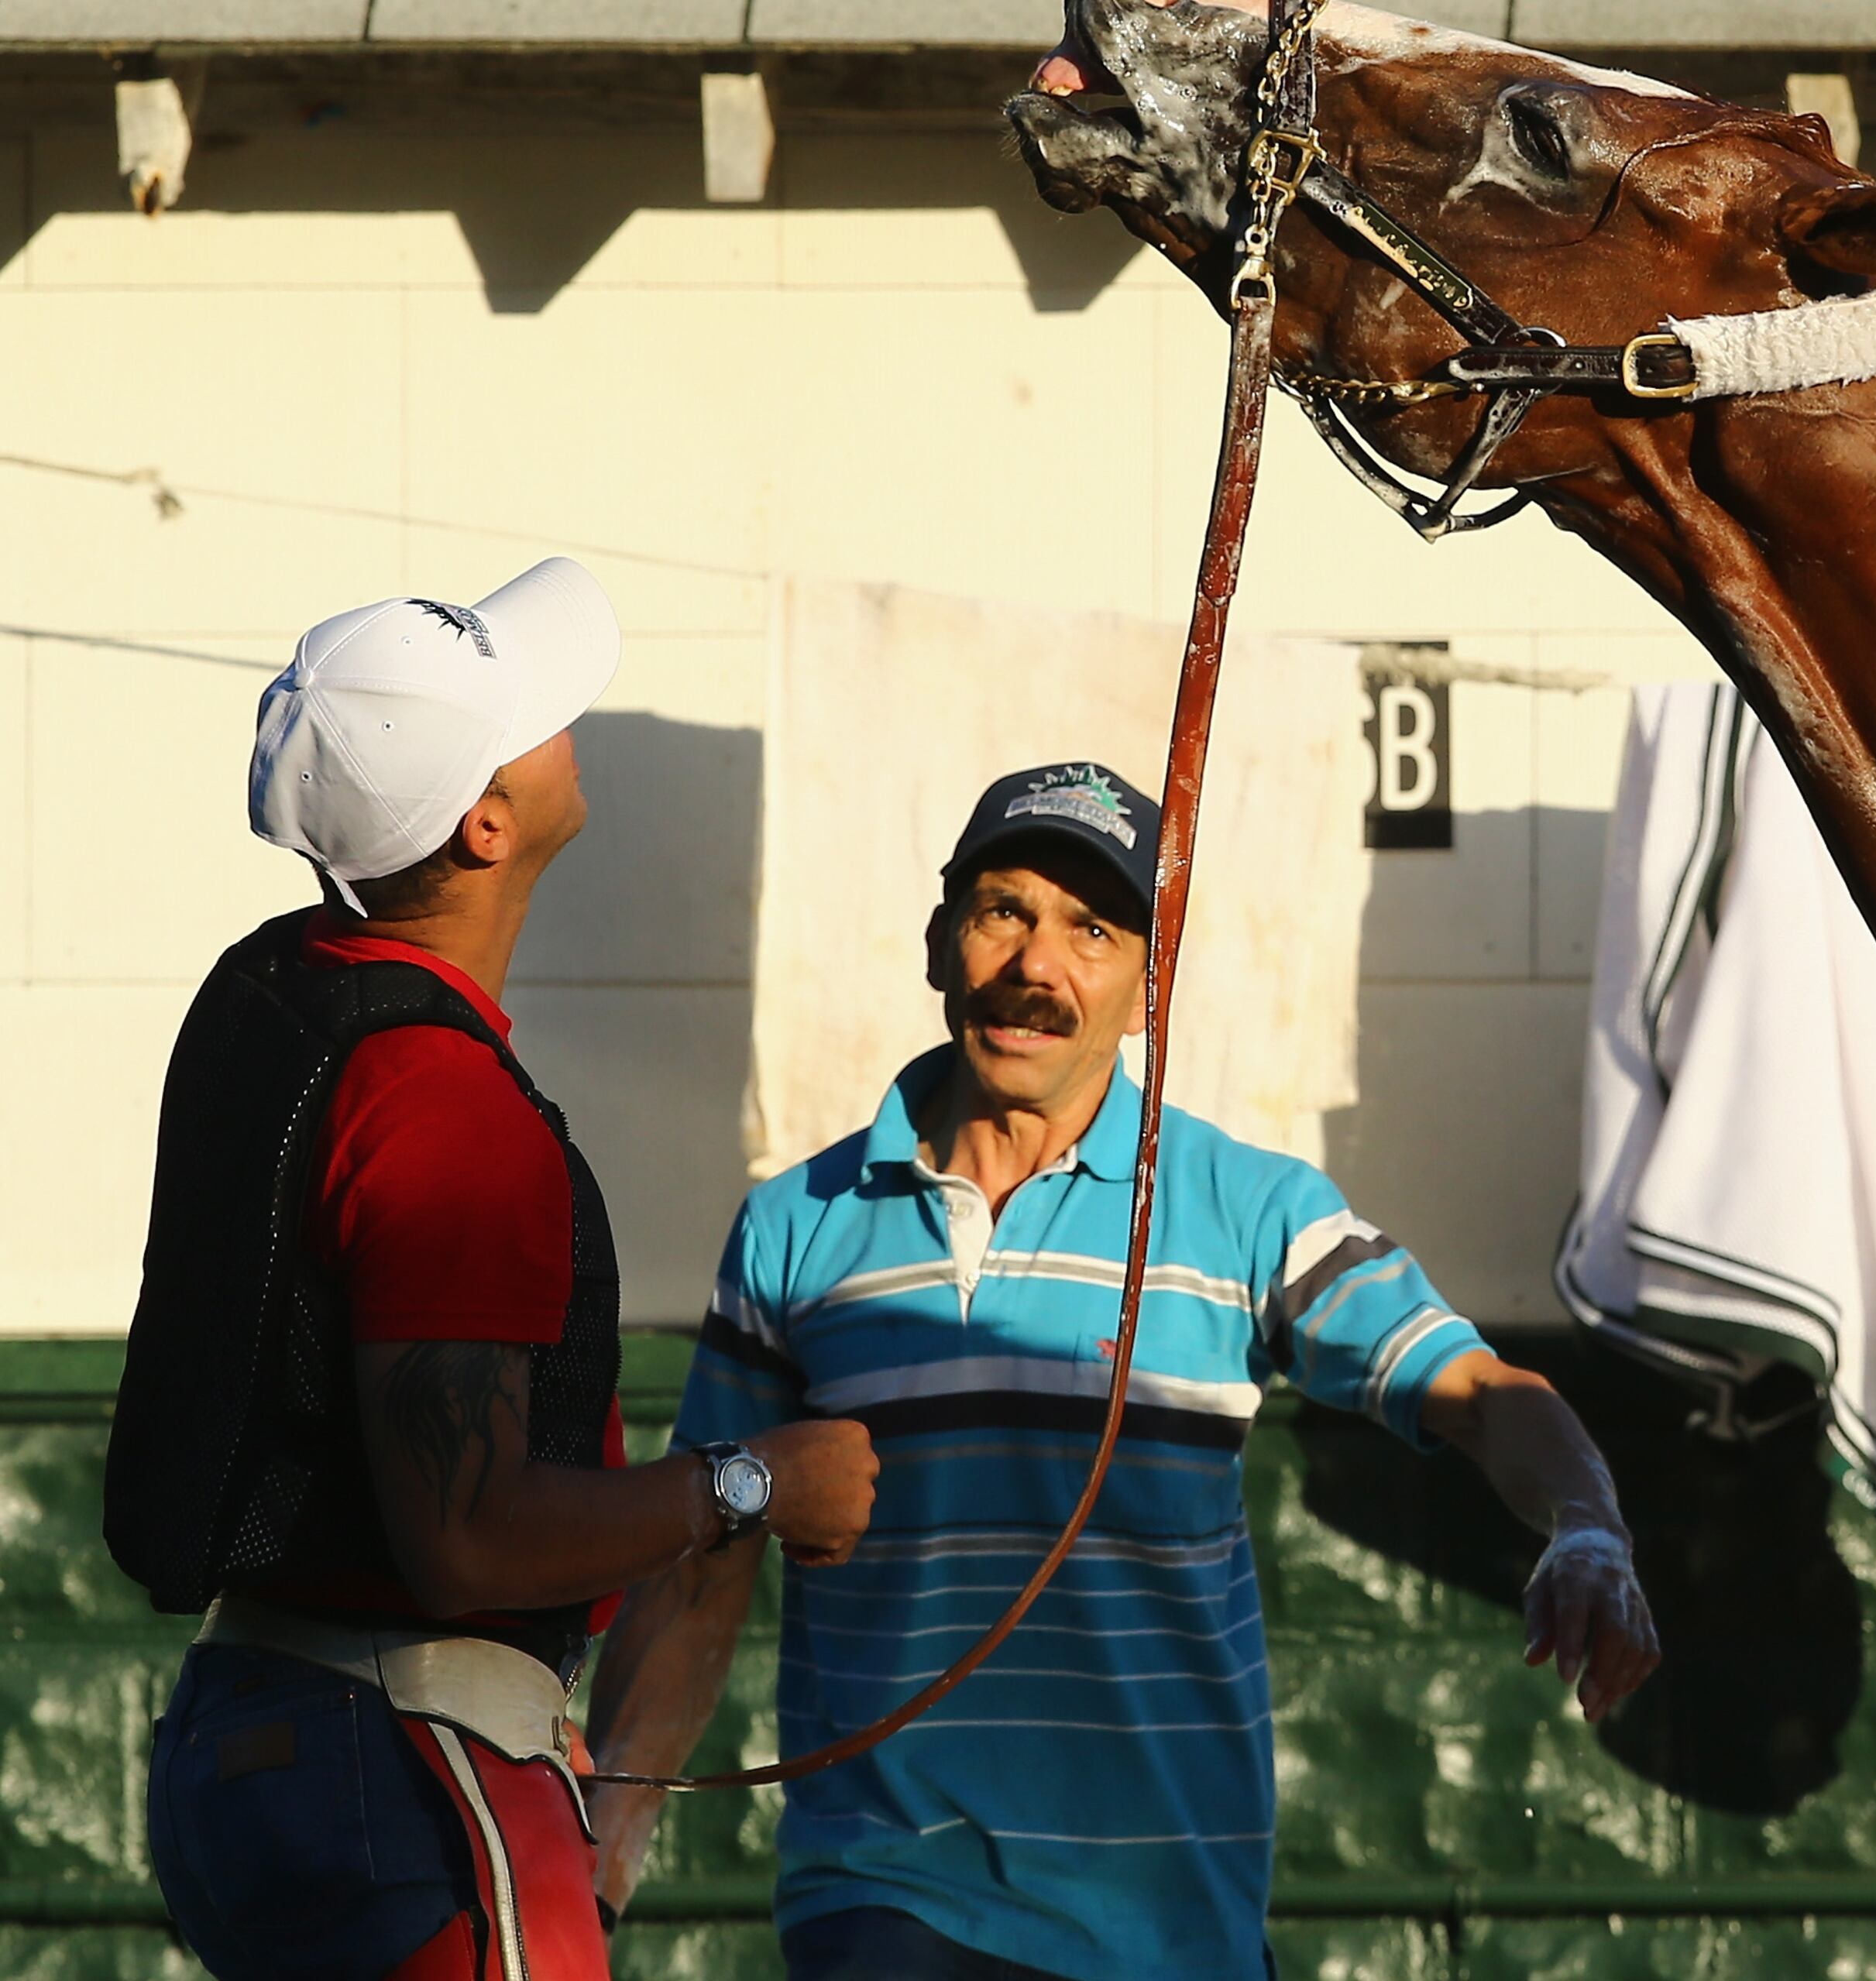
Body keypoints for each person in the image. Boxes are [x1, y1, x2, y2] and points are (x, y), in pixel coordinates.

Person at [586, 759, 1662, 1981]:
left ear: (1149, 986)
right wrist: (606, 1851)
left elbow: (1478, 1392)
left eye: (1091, 930)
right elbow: (699, 1570)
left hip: (1169, 1927)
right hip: (885, 1901)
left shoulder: (1247, 1211)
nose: (1036, 966)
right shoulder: (797, 1224)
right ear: (941, 944)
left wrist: (1587, 1523)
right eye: (1003, 910)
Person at [107, 560, 879, 1981]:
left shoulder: (269, 993)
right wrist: (755, 1482)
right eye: (527, 716)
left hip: (247, 1729)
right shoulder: (443, 1107)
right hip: (402, 1767)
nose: (566, 719)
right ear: (485, 823)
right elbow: (462, 1540)